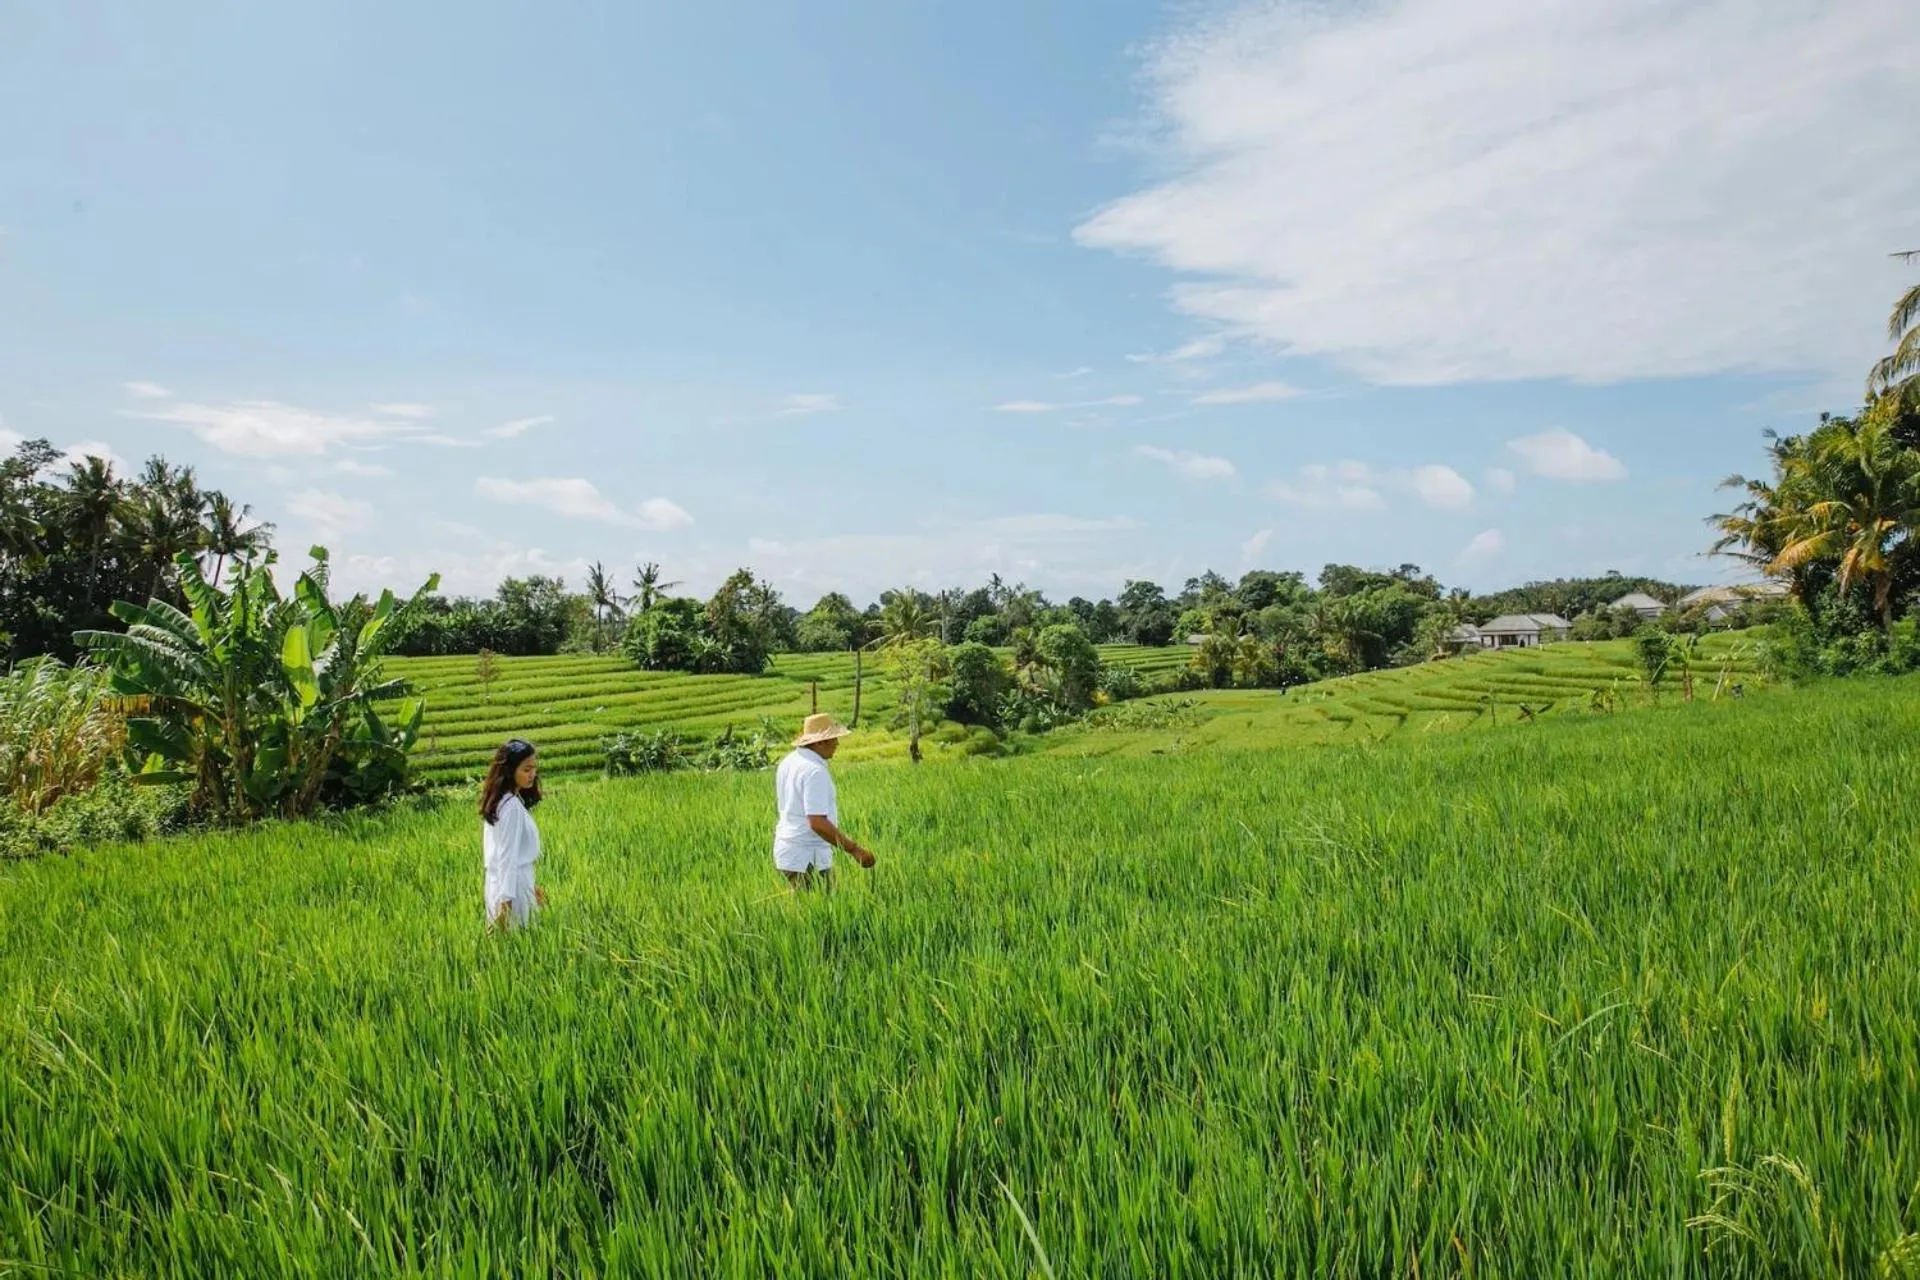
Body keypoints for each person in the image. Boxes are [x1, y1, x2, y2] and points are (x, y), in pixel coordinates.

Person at [773, 713, 876, 891]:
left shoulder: (788, 762)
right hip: (806, 856)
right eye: (833, 739)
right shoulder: (814, 771)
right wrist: (854, 850)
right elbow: (817, 823)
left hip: (789, 852)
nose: (837, 744)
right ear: (819, 742)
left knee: (808, 903)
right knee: (826, 902)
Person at [481, 738, 546, 929]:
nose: (533, 774)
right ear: (510, 771)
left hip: (504, 885)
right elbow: (507, 858)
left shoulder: (501, 800)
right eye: (526, 769)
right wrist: (505, 907)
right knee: (519, 939)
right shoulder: (511, 807)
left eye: (534, 768)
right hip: (513, 892)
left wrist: (532, 887)